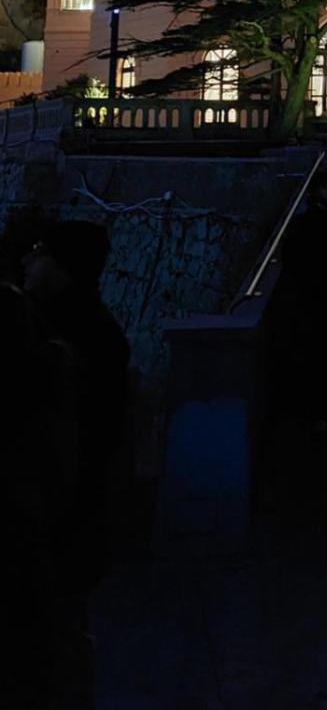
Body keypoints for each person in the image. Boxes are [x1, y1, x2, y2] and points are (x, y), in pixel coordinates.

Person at [22, 220, 129, 706]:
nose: (28, 260)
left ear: (61, 266)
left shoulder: (64, 335)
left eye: (38, 251)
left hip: (55, 522)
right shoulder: (84, 329)